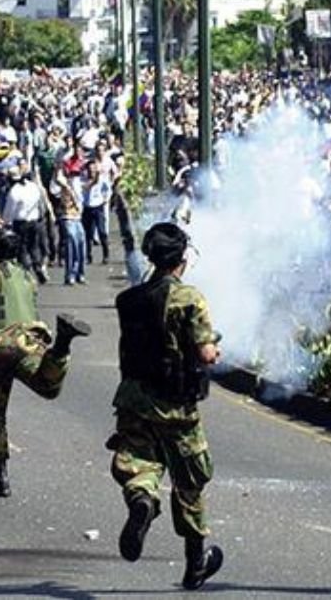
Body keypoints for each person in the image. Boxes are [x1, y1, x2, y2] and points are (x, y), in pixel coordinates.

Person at [109, 222, 224, 591]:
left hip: (133, 398)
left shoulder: (128, 300)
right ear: (183, 258)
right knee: (189, 481)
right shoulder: (189, 298)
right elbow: (206, 353)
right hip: (176, 404)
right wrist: (211, 348)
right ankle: (195, 564)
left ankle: (142, 498)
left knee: (139, 462)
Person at [0, 213, 91, 497]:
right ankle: (61, 345)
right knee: (48, 386)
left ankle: (0, 476)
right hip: (29, 342)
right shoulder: (27, 277)